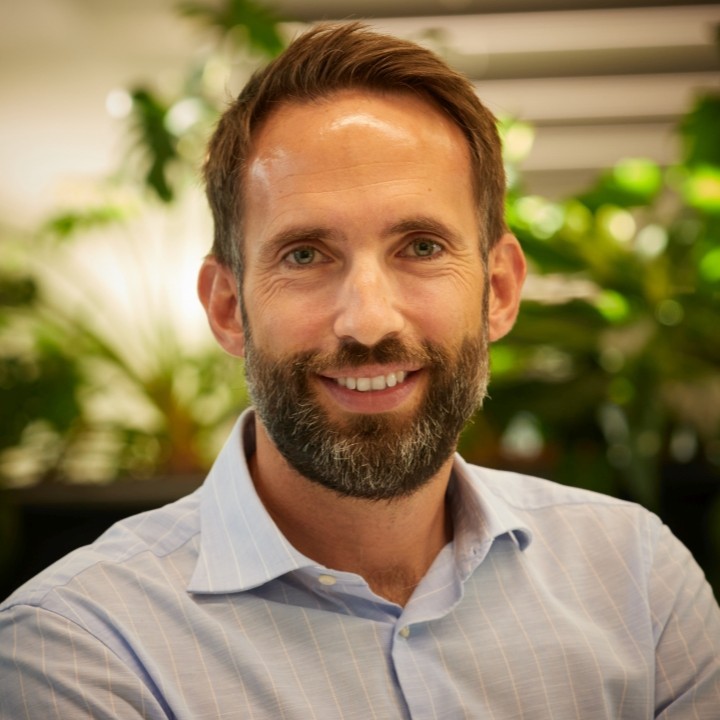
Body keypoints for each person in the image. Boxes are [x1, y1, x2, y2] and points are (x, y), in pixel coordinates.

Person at [1, 22, 718, 719]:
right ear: (227, 307)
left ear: (499, 290)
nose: (369, 322)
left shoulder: (639, 581)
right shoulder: (81, 648)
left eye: (422, 247)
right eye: (305, 255)